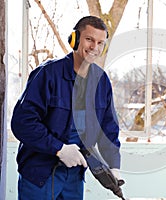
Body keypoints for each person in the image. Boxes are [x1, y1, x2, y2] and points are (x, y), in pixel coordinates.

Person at [11, 16, 121, 200]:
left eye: (100, 43)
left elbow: (108, 128)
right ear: (75, 39)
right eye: (89, 39)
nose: (95, 47)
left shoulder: (101, 82)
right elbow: (22, 123)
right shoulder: (47, 74)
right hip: (40, 173)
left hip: (74, 175)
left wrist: (114, 166)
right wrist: (59, 149)